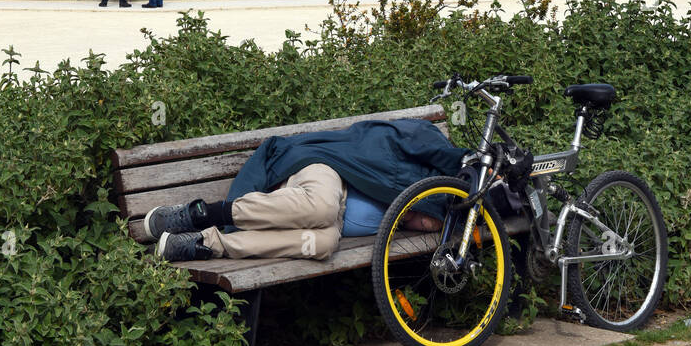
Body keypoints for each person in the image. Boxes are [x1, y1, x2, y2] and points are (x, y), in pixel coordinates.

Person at [144, 118, 472, 263]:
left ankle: (205, 244)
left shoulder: (444, 207)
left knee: (324, 242)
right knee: (323, 208)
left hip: (334, 219)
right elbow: (398, 141)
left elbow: (447, 217)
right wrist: (465, 159)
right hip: (324, 168)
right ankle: (202, 213)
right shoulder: (426, 143)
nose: (426, 225)